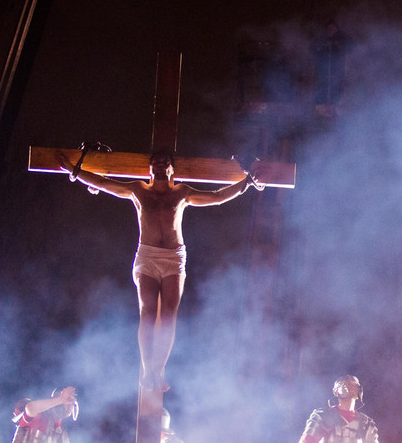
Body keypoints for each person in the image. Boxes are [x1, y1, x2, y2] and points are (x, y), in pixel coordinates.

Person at [54, 150, 262, 391]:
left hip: (173, 258)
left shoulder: (182, 193)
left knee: (168, 317)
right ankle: (148, 370)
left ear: (172, 169)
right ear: (149, 169)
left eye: (165, 162)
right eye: (155, 162)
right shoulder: (138, 190)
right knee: (148, 313)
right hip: (148, 256)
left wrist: (245, 183)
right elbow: (104, 183)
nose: (160, 165)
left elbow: (216, 196)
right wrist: (75, 170)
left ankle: (157, 371)